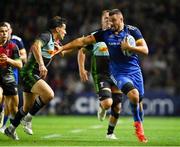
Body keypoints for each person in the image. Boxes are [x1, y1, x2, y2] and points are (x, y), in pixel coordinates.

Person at [57, 9, 148, 143]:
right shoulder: (105, 34)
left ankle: (137, 122)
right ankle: (139, 130)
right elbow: (82, 42)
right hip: (118, 73)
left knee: (138, 102)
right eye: (109, 21)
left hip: (135, 72)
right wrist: (63, 48)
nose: (111, 24)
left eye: (113, 21)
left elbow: (145, 50)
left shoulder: (133, 31)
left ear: (121, 19)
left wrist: (130, 48)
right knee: (131, 96)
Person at [4, 16, 67, 140]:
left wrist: (72, 47)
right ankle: (28, 119)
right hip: (29, 73)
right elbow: (35, 46)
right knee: (49, 94)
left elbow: (63, 51)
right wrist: (42, 64)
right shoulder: (46, 36)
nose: (66, 32)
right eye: (64, 29)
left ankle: (10, 129)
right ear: (58, 29)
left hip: (31, 74)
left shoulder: (55, 41)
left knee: (27, 107)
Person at [77, 10, 122, 139]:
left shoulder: (119, 35)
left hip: (116, 74)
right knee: (108, 103)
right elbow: (82, 51)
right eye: (106, 18)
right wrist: (81, 69)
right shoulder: (96, 36)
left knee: (117, 106)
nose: (109, 21)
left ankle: (110, 133)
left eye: (111, 19)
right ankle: (102, 106)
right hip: (101, 75)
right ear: (102, 21)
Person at [0, 22, 27, 133]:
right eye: (1, 32)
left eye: (6, 31)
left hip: (9, 78)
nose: (4, 34)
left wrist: (7, 60)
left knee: (13, 108)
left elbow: (21, 64)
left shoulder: (13, 45)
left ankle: (12, 129)